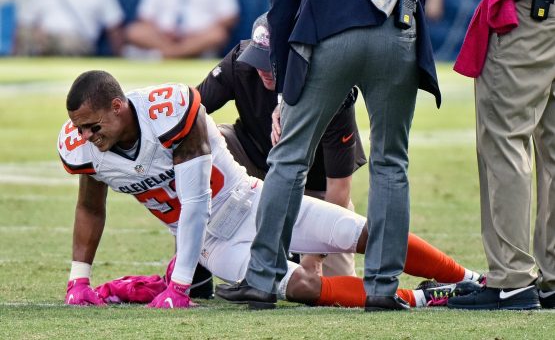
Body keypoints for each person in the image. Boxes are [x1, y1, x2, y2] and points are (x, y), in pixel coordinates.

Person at [58, 70, 478, 310]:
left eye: (93, 126)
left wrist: (180, 287)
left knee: (366, 233)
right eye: (80, 128)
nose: (87, 136)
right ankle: (426, 299)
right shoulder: (87, 148)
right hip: (215, 245)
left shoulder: (167, 112)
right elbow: (89, 209)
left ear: (118, 106)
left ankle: (473, 280)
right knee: (303, 288)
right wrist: (80, 280)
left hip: (252, 202)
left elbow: (197, 201)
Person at [216, 0, 440, 312]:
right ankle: (383, 288)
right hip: (398, 35)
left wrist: (283, 98)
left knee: (289, 159)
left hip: (331, 35)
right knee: (391, 163)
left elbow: (281, 16)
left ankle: (263, 279)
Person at [448, 0, 555, 311]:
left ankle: (512, 278)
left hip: (534, 13)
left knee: (504, 137)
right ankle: (550, 278)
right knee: (552, 149)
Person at [197, 12, 367, 278]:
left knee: (337, 286)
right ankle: (197, 268)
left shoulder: (333, 90)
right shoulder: (240, 63)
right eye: (258, 60)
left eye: (272, 62)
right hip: (252, 165)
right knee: (202, 140)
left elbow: (338, 189)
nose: (263, 69)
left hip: (316, 188)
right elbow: (190, 110)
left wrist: (314, 258)